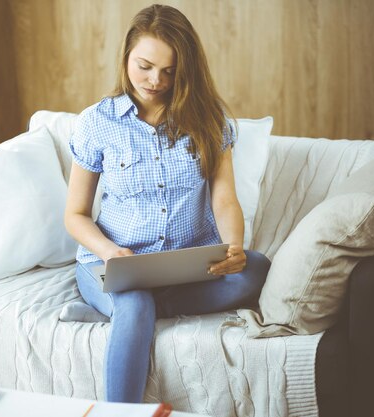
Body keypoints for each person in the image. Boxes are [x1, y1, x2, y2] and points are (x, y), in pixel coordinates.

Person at [64, 4, 270, 403]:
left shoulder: (209, 120)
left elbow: (224, 198)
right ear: (126, 55)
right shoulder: (96, 123)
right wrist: (111, 253)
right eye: (144, 66)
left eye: (169, 71)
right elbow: (74, 215)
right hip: (113, 262)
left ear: (185, 70)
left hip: (184, 267)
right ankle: (121, 407)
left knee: (257, 268)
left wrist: (234, 247)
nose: (155, 80)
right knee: (136, 300)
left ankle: (126, 315)